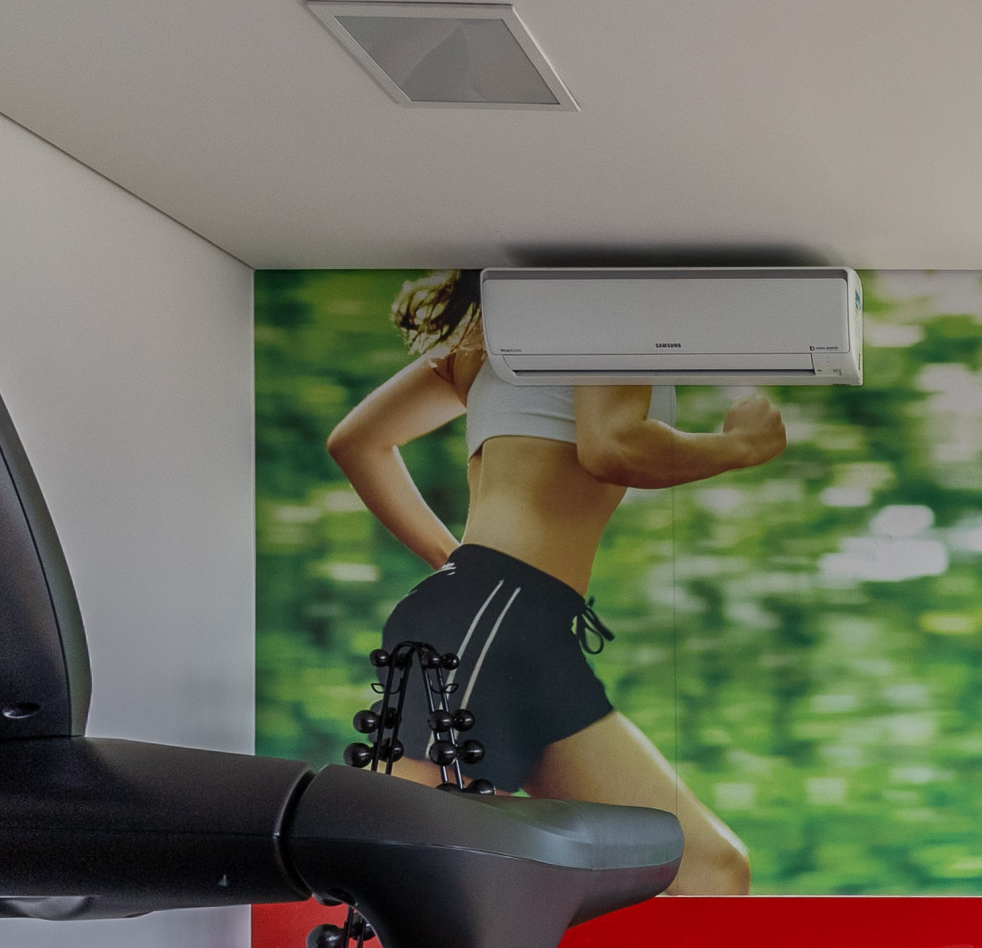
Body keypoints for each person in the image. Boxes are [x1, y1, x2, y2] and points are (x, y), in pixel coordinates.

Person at [326, 269, 785, 894]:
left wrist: (455, 567)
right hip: (496, 616)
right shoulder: (604, 309)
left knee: (709, 871)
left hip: (520, 625)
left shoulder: (488, 338)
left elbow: (359, 442)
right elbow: (612, 447)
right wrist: (739, 447)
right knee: (394, 863)